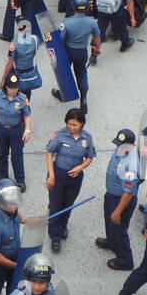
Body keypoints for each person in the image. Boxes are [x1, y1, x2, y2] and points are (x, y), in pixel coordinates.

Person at [44, 108, 93, 252]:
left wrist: (81, 167)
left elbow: (90, 157)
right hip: (58, 174)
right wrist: (51, 176)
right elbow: (49, 153)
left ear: (82, 124)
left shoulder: (87, 138)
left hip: (75, 177)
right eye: (69, 124)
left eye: (75, 125)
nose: (71, 127)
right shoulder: (60, 135)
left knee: (68, 204)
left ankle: (63, 226)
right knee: (55, 205)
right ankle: (54, 236)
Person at [97, 128, 141, 270]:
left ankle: (125, 260)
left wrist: (118, 211)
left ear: (130, 146)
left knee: (120, 230)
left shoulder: (131, 164)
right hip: (112, 196)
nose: (118, 147)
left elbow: (128, 192)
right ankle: (111, 242)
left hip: (121, 201)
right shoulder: (120, 151)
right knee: (110, 225)